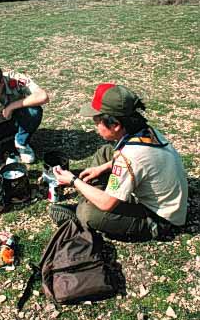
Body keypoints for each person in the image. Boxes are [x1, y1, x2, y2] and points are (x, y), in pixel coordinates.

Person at [53, 83, 188, 240]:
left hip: (159, 217)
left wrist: (73, 180)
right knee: (106, 152)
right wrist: (103, 168)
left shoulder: (130, 157)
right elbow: (140, 162)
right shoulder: (143, 130)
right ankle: (92, 197)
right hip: (158, 195)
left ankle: (82, 210)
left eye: (97, 121)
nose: (96, 126)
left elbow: (107, 204)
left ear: (116, 125)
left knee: (87, 213)